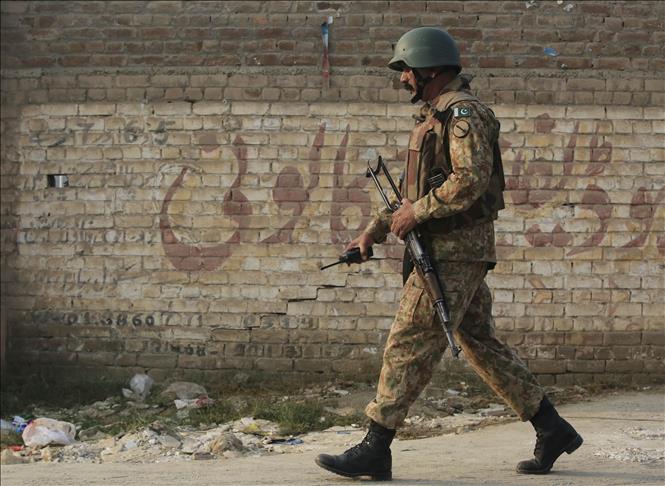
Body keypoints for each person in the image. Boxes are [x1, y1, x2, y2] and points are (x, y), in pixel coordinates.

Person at [315, 27, 583, 480]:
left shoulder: (463, 114)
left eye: (407, 70)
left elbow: (470, 179)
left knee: (409, 341)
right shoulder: (434, 118)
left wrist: (417, 213)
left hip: (453, 252)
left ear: (430, 69)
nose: (402, 79)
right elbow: (412, 193)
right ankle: (551, 427)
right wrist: (372, 233)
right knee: (481, 344)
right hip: (452, 250)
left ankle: (375, 447)